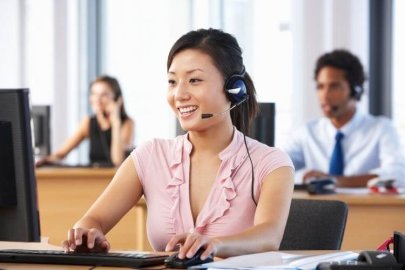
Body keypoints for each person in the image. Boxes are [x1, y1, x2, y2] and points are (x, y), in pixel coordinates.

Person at [62, 28, 294, 260]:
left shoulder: (271, 164)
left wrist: (215, 244)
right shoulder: (150, 155)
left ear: (234, 89)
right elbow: (94, 220)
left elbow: (269, 235)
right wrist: (86, 235)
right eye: (172, 81)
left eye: (194, 80)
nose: (179, 94)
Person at [283, 49, 405, 188]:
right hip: (321, 209)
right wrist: (304, 176)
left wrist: (335, 181)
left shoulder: (382, 129)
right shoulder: (307, 132)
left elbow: (397, 175)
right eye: (320, 87)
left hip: (366, 209)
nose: (325, 95)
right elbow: (276, 167)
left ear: (355, 90)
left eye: (334, 87)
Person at [36, 75, 135, 167]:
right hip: (94, 179)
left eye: (104, 94)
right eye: (94, 94)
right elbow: (61, 153)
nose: (97, 99)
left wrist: (116, 123)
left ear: (117, 98)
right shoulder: (88, 122)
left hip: (117, 181)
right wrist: (43, 160)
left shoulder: (127, 123)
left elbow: (117, 161)